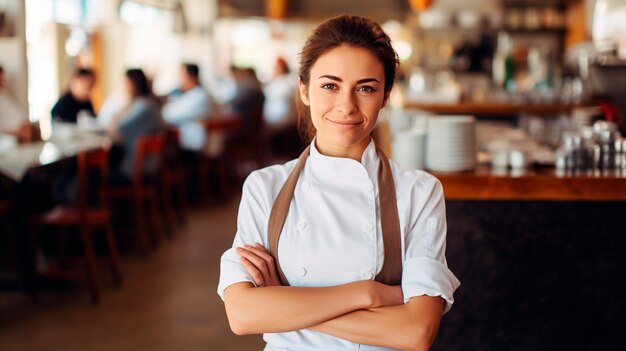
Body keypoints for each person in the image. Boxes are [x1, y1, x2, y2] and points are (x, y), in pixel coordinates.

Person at [217, 14, 460, 351]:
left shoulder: (418, 191)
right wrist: (370, 293)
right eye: (330, 85)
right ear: (304, 90)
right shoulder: (265, 187)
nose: (346, 106)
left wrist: (284, 304)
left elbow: (414, 333)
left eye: (366, 88)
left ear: (386, 95)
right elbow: (243, 315)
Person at [107, 68, 162, 184]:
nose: (123, 87)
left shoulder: (143, 106)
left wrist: (126, 103)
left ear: (134, 84)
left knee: (92, 177)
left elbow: (116, 126)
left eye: (125, 83)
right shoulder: (145, 103)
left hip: (134, 168)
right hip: (141, 164)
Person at [162, 63, 214, 152]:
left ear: (192, 77)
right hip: (184, 142)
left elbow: (169, 115)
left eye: (182, 76)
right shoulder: (187, 94)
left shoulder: (200, 96)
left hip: (193, 146)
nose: (179, 80)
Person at [263, 57, 302, 158]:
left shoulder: (290, 81)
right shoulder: (272, 82)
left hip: (286, 122)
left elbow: (296, 102)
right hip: (271, 122)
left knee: (286, 152)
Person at [0, 65, 30, 141]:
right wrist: (18, 133)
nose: (3, 83)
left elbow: (21, 117)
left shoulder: (5, 96)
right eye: (1, 80)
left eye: (3, 79)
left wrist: (27, 127)